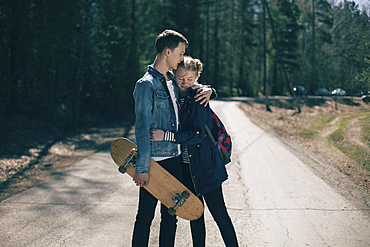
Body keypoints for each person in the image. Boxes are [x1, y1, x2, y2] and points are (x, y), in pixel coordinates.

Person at [132, 30, 212, 247]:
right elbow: (141, 129)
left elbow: (194, 87)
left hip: (175, 159)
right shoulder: (145, 85)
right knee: (145, 217)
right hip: (154, 162)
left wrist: (210, 90)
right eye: (180, 53)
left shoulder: (173, 81)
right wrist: (142, 167)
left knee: (170, 217)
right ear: (167, 52)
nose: (182, 58)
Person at [150, 56, 239, 247]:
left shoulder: (199, 98)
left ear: (197, 77)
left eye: (190, 79)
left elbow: (197, 135)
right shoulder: (173, 94)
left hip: (206, 165)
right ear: (174, 74)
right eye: (181, 78)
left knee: (220, 215)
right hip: (186, 169)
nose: (185, 83)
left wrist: (166, 135)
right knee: (195, 215)